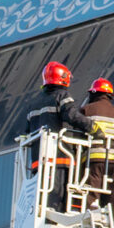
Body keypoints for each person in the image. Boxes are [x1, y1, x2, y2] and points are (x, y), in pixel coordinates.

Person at [28, 62, 82, 208]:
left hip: (38, 162)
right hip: (59, 159)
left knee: (42, 200)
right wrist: (92, 127)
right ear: (63, 77)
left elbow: (27, 131)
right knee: (57, 202)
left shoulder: (34, 103)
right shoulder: (62, 96)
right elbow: (73, 116)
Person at [69, 77, 114, 198]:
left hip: (93, 161)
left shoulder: (86, 110)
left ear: (93, 93)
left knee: (91, 199)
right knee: (111, 203)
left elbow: (76, 139)